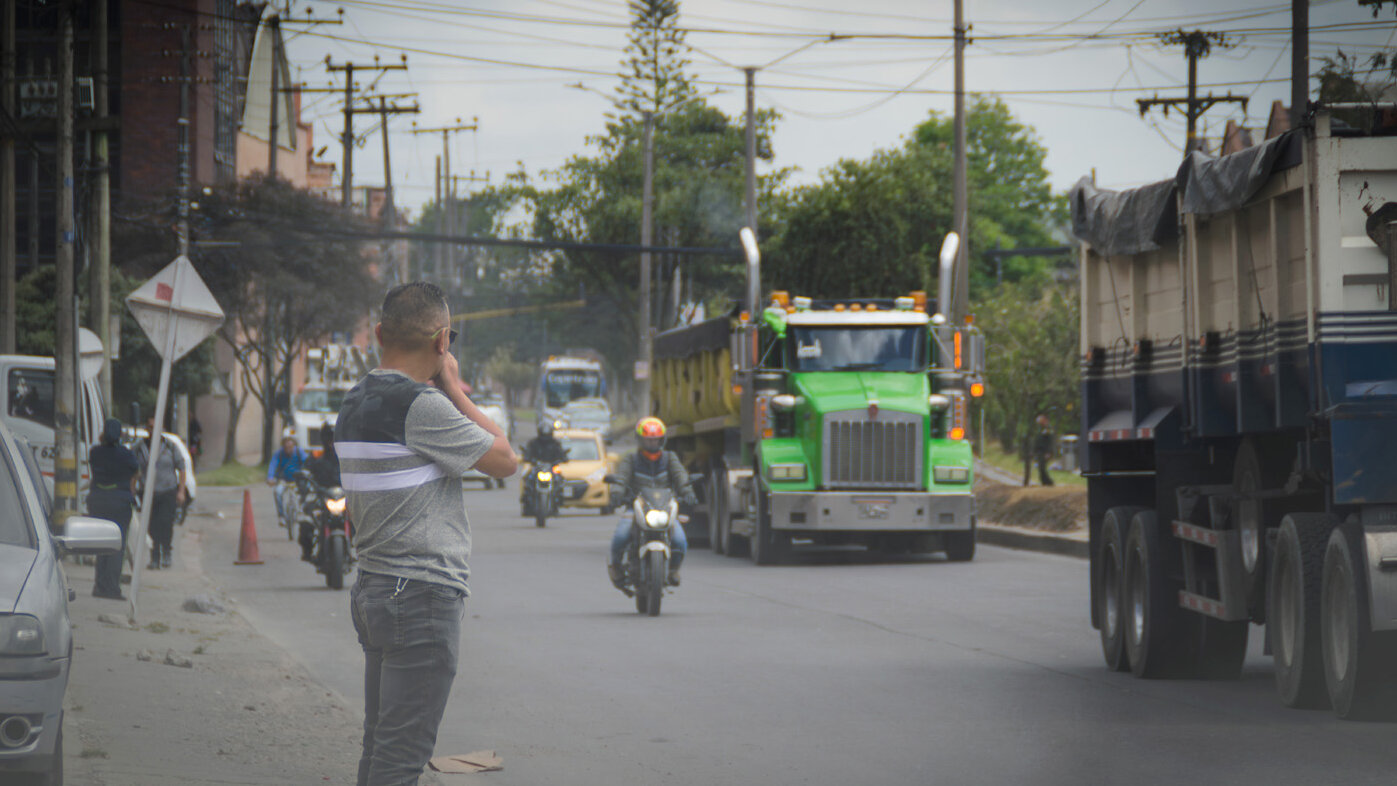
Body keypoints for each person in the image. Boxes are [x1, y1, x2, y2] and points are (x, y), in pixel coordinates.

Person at [337, 282, 517, 786]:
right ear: (443, 343)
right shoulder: (423, 406)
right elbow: (505, 460)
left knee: (380, 749)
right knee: (400, 761)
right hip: (419, 598)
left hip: (375, 588)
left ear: (378, 334)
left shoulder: (355, 399)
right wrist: (454, 387)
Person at [607, 416, 697, 589]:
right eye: (648, 440)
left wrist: (688, 492)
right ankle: (616, 567)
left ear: (662, 440)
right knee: (620, 537)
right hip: (636, 507)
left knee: (680, 541)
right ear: (640, 440)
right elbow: (622, 478)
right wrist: (617, 493)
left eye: (656, 440)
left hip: (664, 508)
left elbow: (681, 477)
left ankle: (673, 570)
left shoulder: (670, 458)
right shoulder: (631, 460)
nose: (652, 444)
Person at [88, 418, 139, 599]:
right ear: (120, 434)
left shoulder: (95, 453)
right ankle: (111, 589)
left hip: (98, 501)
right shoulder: (127, 454)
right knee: (117, 545)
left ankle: (99, 586)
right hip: (119, 502)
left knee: (101, 543)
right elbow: (135, 470)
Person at [135, 416, 187, 569]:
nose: (153, 430)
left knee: (165, 523)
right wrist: (132, 489)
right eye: (150, 427)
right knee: (151, 525)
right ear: (147, 429)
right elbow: (133, 469)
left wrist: (181, 491)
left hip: (168, 491)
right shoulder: (140, 447)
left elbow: (181, 467)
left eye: (156, 427)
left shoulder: (170, 446)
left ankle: (166, 551)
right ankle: (155, 556)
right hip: (148, 492)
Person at [301, 423, 342, 562]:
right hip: (320, 495)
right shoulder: (316, 455)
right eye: (329, 439)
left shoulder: (345, 457)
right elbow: (305, 471)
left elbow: (359, 471)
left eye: (334, 439)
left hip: (343, 495)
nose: (331, 442)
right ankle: (307, 551)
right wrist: (302, 480)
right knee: (306, 520)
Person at [267, 429, 308, 528]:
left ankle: (302, 508)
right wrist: (270, 477)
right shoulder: (279, 454)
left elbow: (307, 462)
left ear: (294, 443)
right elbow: (273, 464)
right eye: (286, 442)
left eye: (290, 442)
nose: (288, 446)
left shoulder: (299, 452)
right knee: (277, 492)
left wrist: (307, 472)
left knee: (305, 489)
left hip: (297, 481)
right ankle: (281, 516)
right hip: (283, 480)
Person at [1025, 413, 1056, 487]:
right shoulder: (1039, 429)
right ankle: (1044, 482)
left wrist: (1048, 452)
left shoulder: (1048, 429)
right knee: (1040, 468)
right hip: (1039, 451)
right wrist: (1033, 451)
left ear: (1044, 420)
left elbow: (1050, 441)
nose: (1039, 423)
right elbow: (1036, 440)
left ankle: (1049, 482)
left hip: (1044, 451)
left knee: (1042, 467)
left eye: (1040, 421)